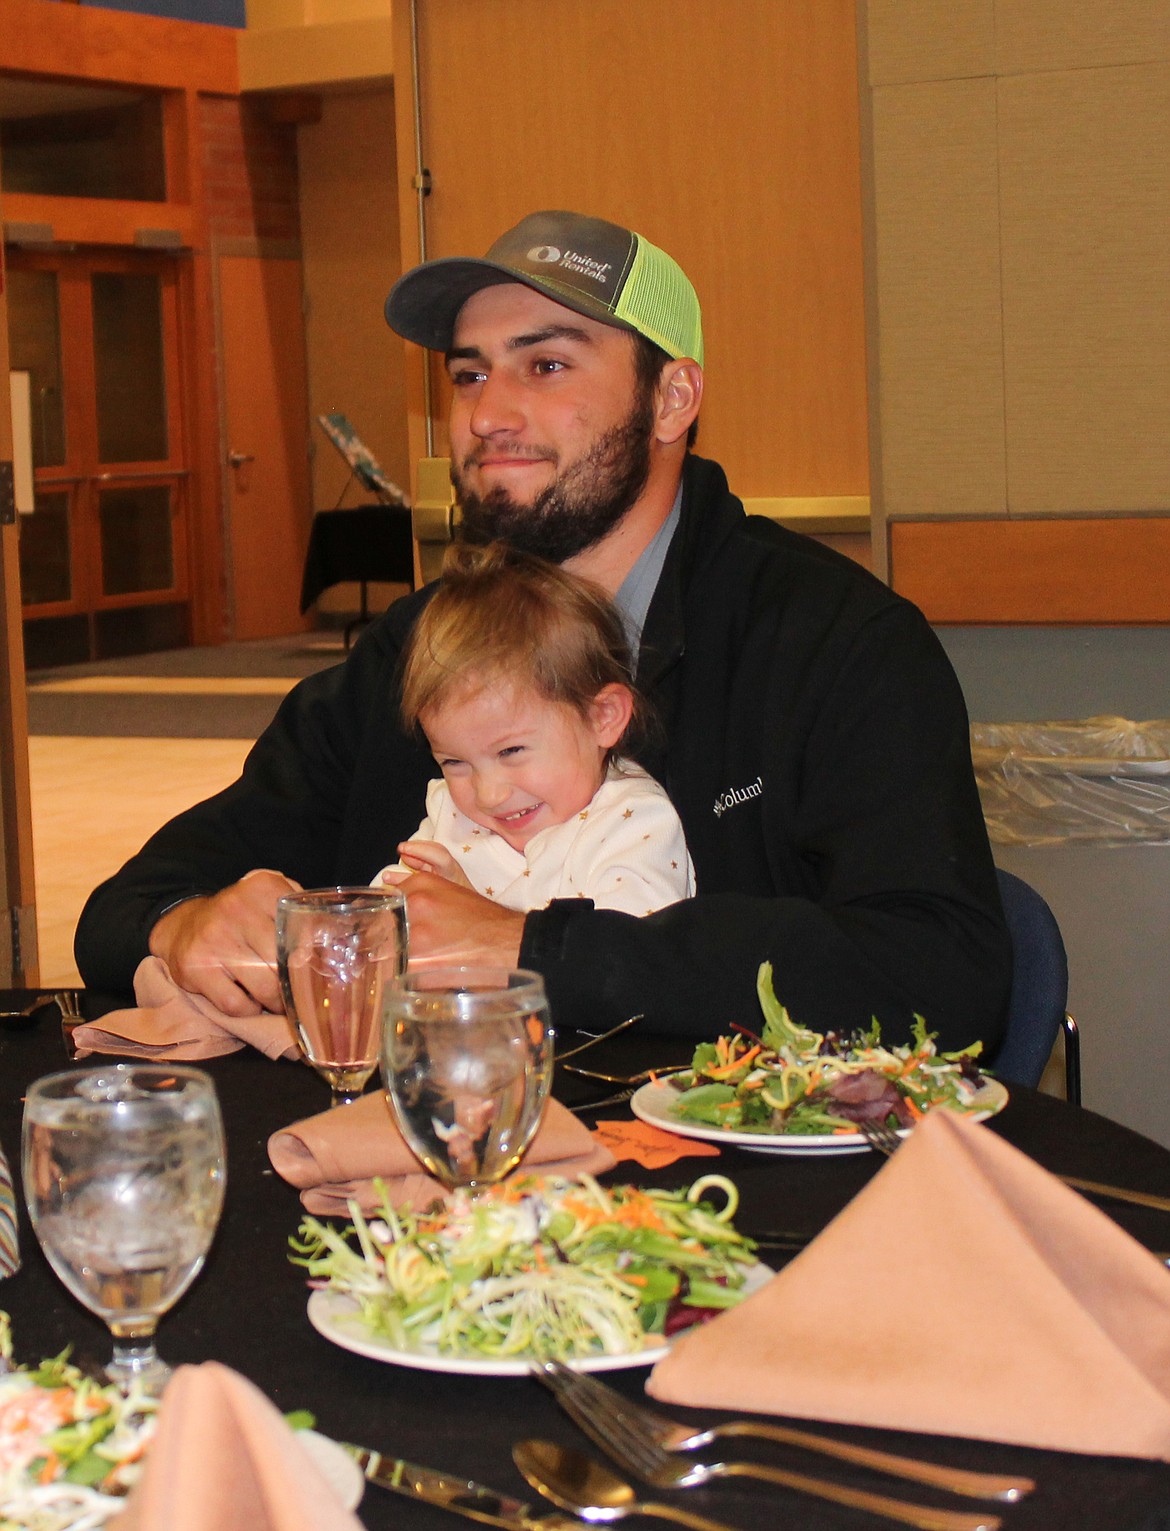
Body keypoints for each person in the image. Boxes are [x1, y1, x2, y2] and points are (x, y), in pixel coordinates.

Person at [75, 209, 1011, 1052]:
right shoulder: (420, 657)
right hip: (450, 1185)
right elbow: (124, 905)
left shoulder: (833, 642)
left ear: (673, 399)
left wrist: (530, 947)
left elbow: (943, 971)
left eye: (546, 364)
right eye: (469, 373)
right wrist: (185, 924)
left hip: (749, 1196)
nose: (487, 414)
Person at [373, 540, 694, 916]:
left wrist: (472, 914)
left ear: (602, 718)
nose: (488, 794)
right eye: (453, 762)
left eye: (511, 752)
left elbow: (620, 960)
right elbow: (383, 927)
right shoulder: (452, 814)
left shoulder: (635, 826)